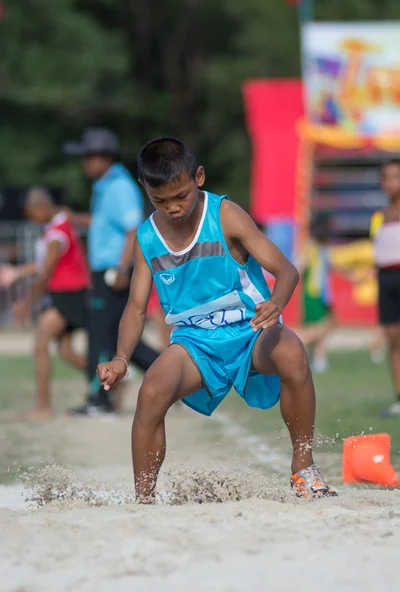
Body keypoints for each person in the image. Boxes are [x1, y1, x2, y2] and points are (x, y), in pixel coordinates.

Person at [97, 137, 337, 503]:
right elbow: (136, 307)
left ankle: (303, 469)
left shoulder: (225, 215)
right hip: (195, 343)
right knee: (152, 392)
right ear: (146, 190)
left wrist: (275, 302)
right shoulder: (146, 237)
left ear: (199, 177)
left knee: (292, 352)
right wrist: (121, 359)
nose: (173, 208)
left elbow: (286, 271)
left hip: (250, 332)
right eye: (160, 201)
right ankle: (143, 498)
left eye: (180, 196)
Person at [63, 128, 160, 416]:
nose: (85, 163)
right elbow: (104, 223)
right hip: (107, 271)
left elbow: (133, 228)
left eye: (89, 156)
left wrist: (121, 268)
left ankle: (100, 399)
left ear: (105, 157)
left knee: (100, 335)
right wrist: (72, 217)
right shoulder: (106, 185)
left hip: (114, 272)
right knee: (122, 337)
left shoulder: (119, 187)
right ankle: (174, 375)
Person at [0, 187, 89, 419]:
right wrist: (18, 272)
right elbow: (43, 264)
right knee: (67, 353)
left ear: (40, 209)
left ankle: (43, 407)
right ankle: (114, 381)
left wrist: (26, 303)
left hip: (67, 296)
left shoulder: (57, 233)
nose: (31, 219)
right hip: (68, 294)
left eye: (31, 214)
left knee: (40, 345)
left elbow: (46, 272)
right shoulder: (55, 228)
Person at [370, 159, 400, 418]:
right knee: (393, 339)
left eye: (395, 177)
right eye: (386, 177)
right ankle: (399, 398)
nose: (390, 183)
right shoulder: (381, 216)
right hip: (385, 279)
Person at [297, 215, 335, 373]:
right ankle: (296, 343)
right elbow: (299, 268)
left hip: (322, 294)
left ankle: (319, 358)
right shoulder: (310, 248)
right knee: (317, 328)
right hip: (313, 294)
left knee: (325, 325)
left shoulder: (322, 249)